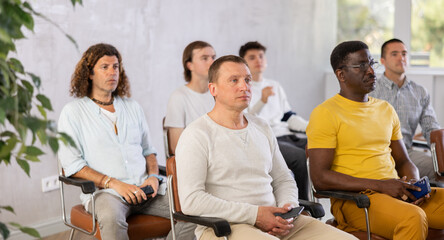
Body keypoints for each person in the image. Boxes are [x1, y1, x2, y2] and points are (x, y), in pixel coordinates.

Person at [175, 55, 357, 240]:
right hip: (226, 227)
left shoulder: (261, 126)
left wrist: (288, 209)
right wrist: (256, 215)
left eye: (247, 80)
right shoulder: (196, 134)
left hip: (280, 222)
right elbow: (192, 200)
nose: (244, 86)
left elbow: (283, 179)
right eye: (234, 80)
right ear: (213, 89)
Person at [307, 40, 444, 239]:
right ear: (341, 74)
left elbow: (404, 161)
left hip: (395, 192)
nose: (371, 71)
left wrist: (414, 184)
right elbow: (320, 178)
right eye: (361, 66)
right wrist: (381, 185)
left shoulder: (385, 109)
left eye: (371, 64)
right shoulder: (325, 113)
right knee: (412, 217)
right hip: (357, 201)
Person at [58, 43, 195, 240]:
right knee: (112, 217)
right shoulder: (73, 112)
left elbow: (149, 151)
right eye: (104, 67)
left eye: (116, 67)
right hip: (107, 194)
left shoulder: (133, 107)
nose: (112, 72)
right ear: (89, 73)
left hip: (146, 189)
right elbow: (73, 165)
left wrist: (153, 178)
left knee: (195, 207)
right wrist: (113, 184)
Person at [239, 41, 310, 200]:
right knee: (299, 156)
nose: (258, 60)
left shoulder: (275, 85)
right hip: (268, 139)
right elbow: (246, 119)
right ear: (244, 63)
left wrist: (313, 127)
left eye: (261, 56)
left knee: (321, 147)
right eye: (252, 57)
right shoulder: (242, 88)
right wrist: (262, 100)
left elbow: (289, 116)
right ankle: (304, 205)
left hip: (288, 134)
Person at [370, 38, 441, 180]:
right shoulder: (371, 90)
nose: (401, 58)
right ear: (383, 61)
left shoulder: (420, 92)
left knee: (439, 169)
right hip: (377, 153)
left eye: (404, 54)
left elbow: (431, 128)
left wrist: (440, 147)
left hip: (407, 154)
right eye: (394, 54)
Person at [164, 41, 216, 155]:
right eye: (205, 58)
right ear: (190, 65)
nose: (212, 62)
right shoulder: (178, 97)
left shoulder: (219, 95)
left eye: (213, 57)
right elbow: (175, 146)